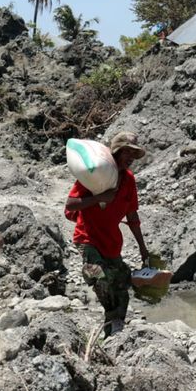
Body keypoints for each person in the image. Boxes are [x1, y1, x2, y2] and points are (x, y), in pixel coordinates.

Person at [65, 131, 151, 337]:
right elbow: (70, 204)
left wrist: (143, 248)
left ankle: (114, 329)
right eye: (127, 152)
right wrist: (100, 197)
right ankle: (110, 319)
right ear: (117, 151)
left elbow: (132, 215)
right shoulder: (99, 173)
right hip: (88, 239)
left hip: (112, 242)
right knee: (98, 275)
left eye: (134, 154)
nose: (130, 158)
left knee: (120, 284)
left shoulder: (129, 180)